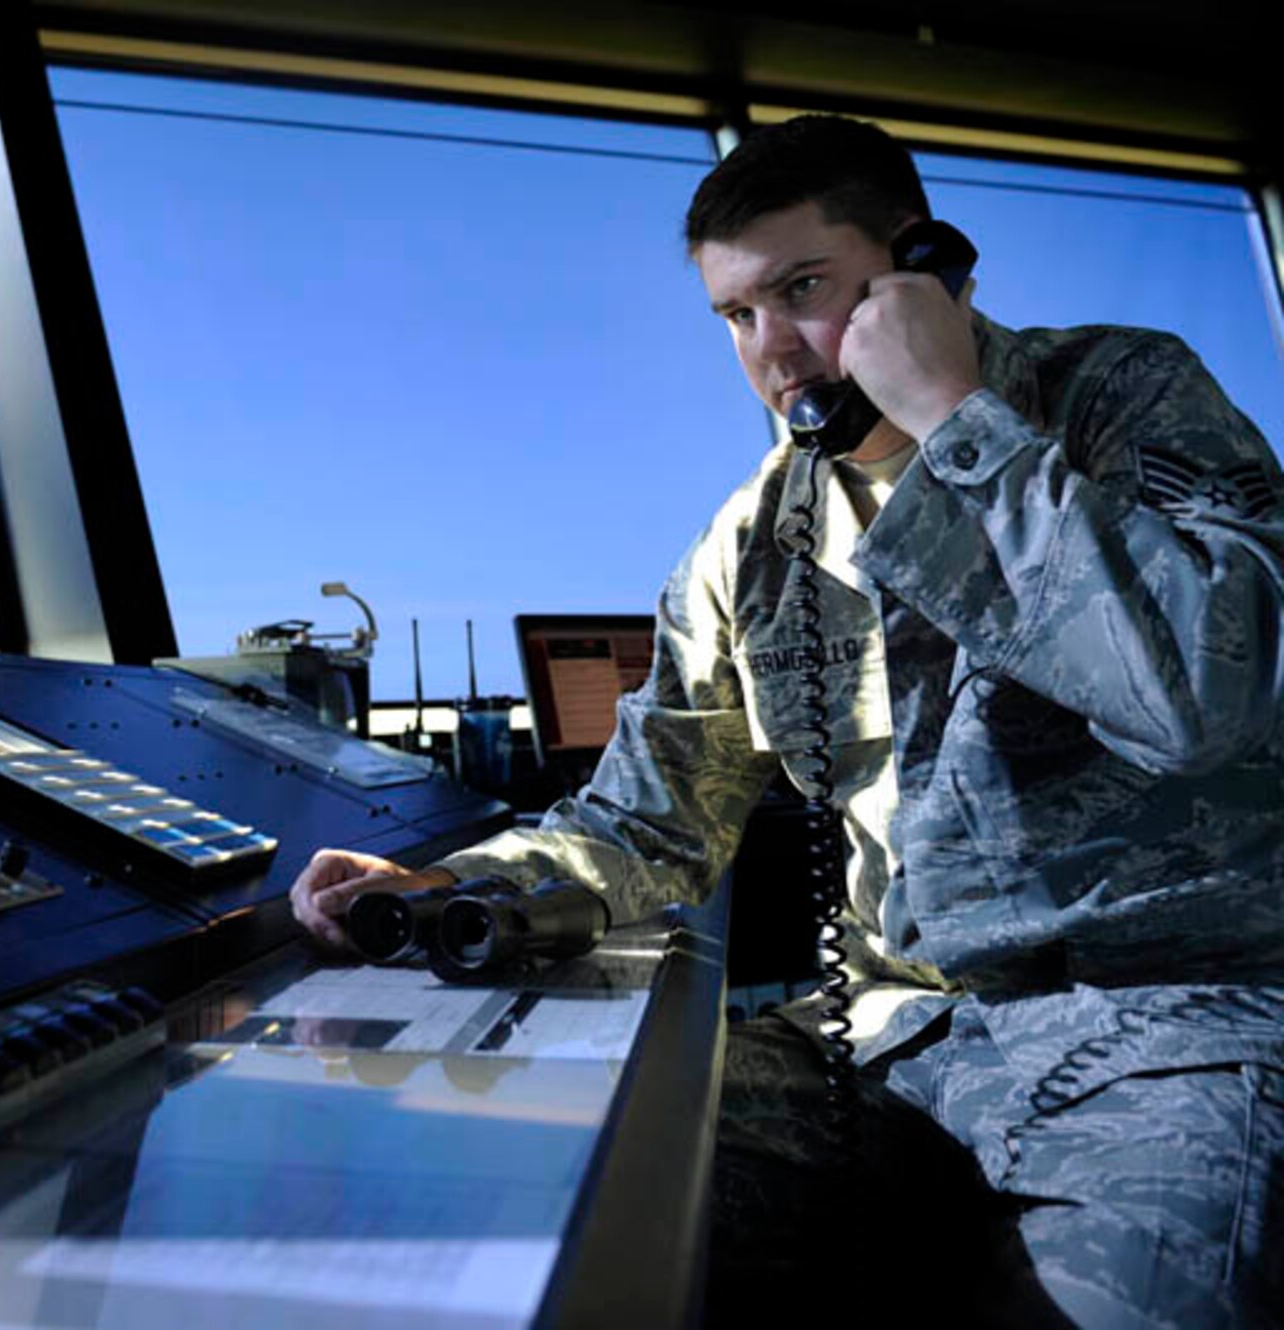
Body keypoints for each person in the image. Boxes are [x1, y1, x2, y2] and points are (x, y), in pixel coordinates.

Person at [289, 115, 1284, 1328]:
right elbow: (646, 822)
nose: (770, 351)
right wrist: (459, 882)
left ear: (919, 266)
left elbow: (1203, 694)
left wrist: (954, 417)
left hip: (1170, 1023)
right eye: (734, 315)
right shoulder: (751, 543)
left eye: (801, 289)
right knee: (540, 1209)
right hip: (892, 1034)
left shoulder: (1119, 396)